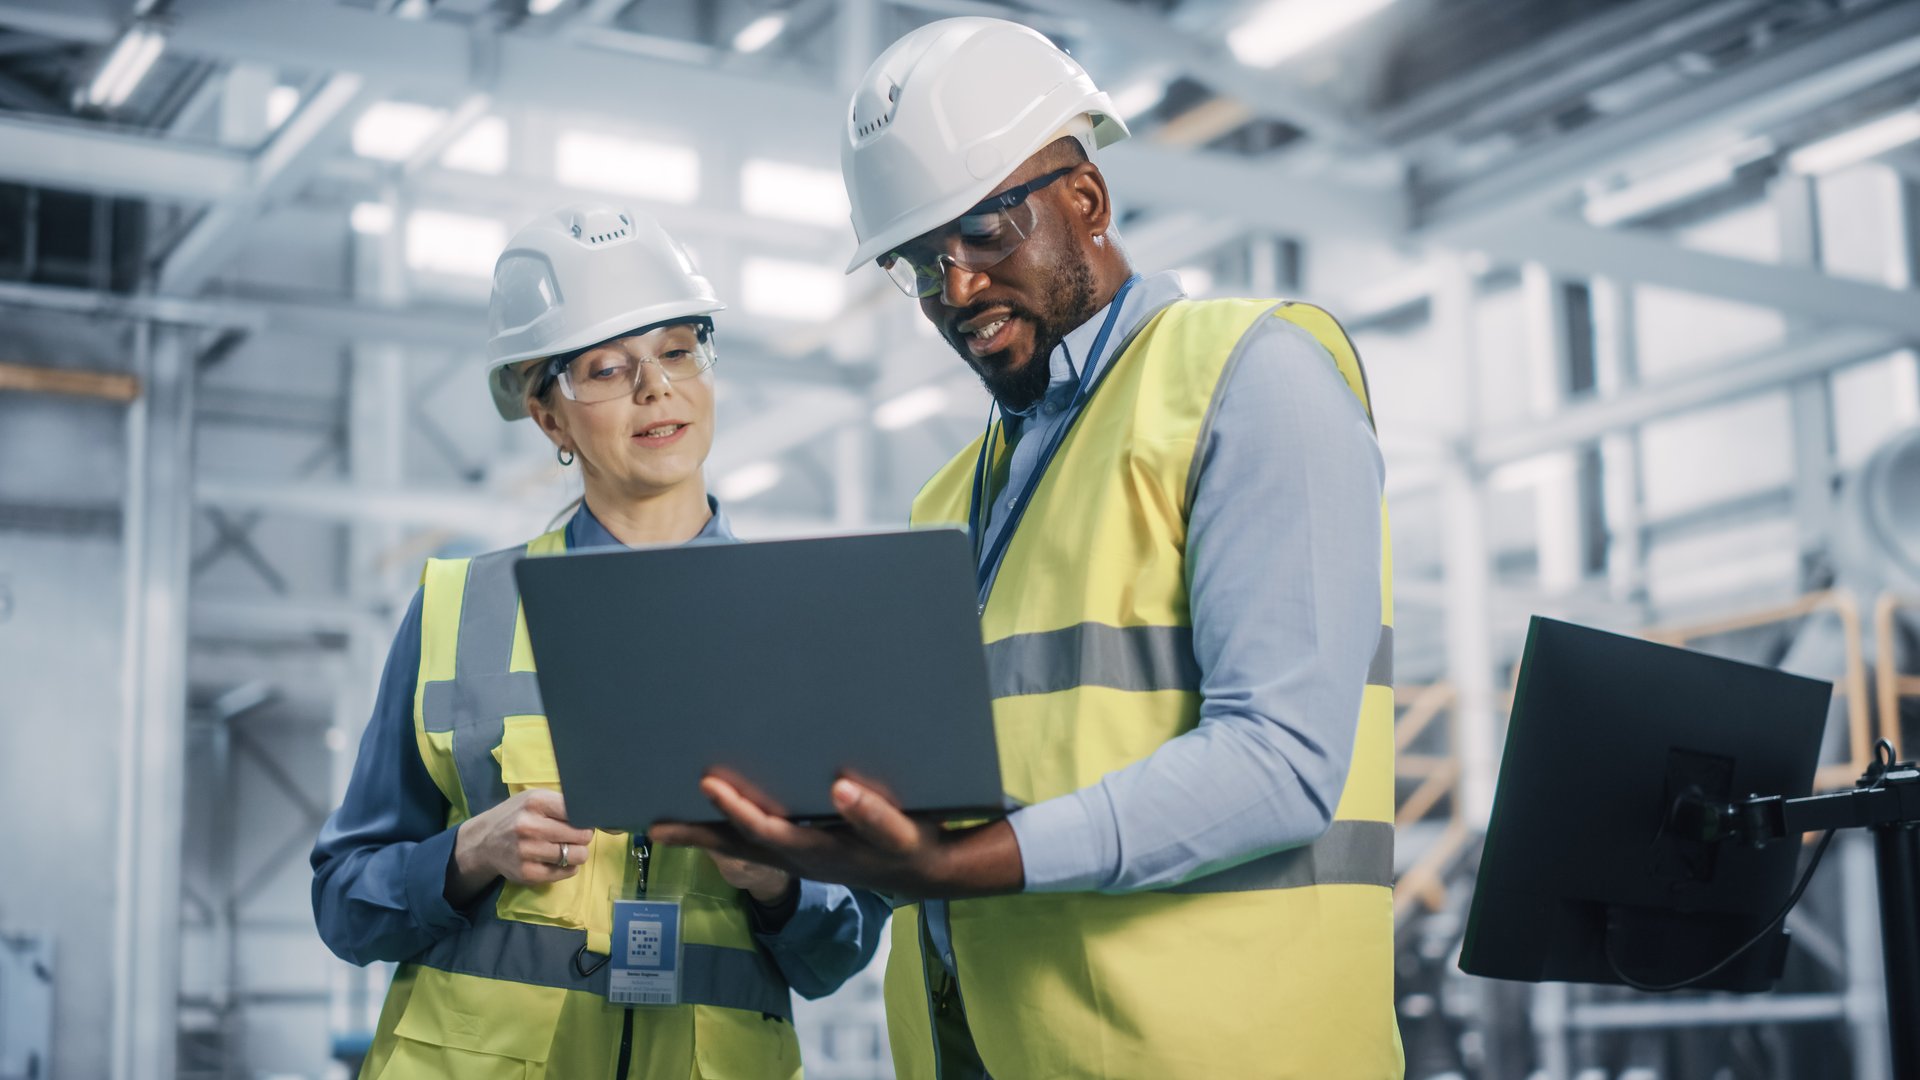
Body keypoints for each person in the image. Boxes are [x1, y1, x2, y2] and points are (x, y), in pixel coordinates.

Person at [651, 17, 1401, 1080]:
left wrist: (967, 864)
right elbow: (938, 812)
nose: (953, 290)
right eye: (919, 263)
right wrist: (790, 859)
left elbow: (1281, 763)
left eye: (985, 235)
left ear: (1085, 200)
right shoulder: (952, 499)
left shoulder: (1248, 380)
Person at [311, 204, 889, 1079]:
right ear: (548, 418)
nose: (656, 389)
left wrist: (775, 880)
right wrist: (466, 855)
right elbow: (344, 902)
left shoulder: (803, 624)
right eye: (607, 369)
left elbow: (840, 947)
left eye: (679, 351)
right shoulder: (457, 610)